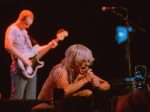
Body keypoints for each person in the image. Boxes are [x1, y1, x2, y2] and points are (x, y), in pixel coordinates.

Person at [5, 9, 67, 99]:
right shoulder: (12, 29)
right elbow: (8, 46)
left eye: (29, 24)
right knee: (17, 98)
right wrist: (24, 59)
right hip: (19, 66)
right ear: (20, 19)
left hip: (31, 68)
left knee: (31, 99)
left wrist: (49, 45)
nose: (28, 27)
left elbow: (33, 51)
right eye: (26, 24)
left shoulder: (25, 32)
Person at [38, 44, 110, 109]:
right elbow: (64, 91)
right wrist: (85, 80)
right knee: (86, 93)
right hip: (46, 105)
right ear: (74, 60)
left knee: (87, 93)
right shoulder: (61, 70)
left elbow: (107, 85)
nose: (87, 64)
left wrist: (97, 85)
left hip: (62, 104)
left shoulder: (82, 70)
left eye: (88, 61)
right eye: (83, 61)